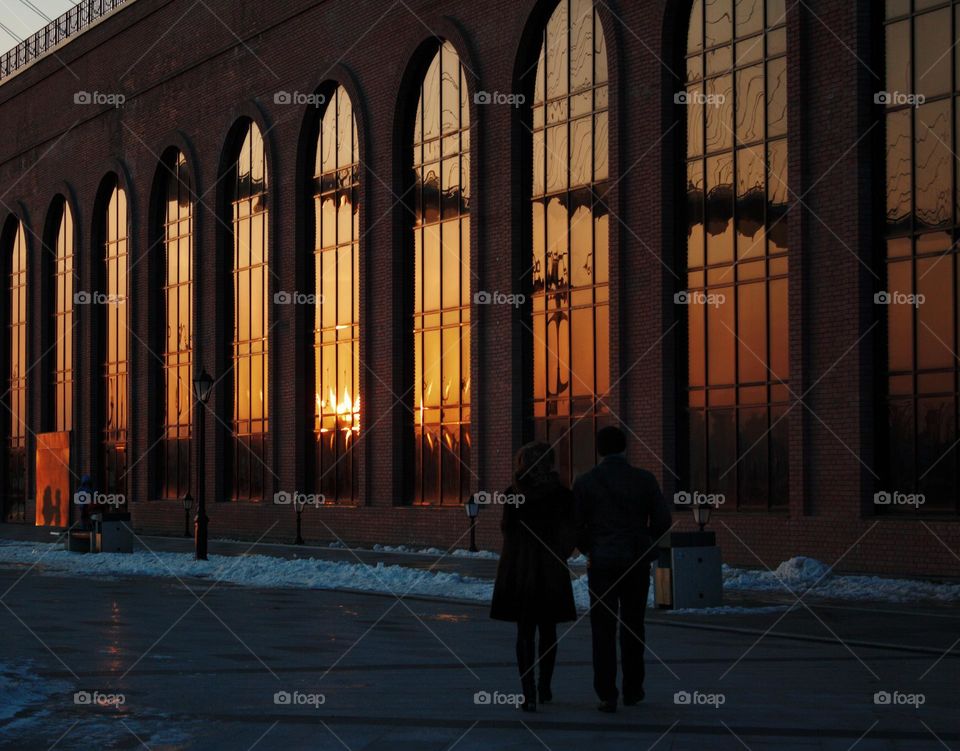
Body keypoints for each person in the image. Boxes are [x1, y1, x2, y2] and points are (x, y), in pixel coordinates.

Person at [573, 426, 672, 713]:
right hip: (635, 561)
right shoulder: (644, 479)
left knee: (602, 628)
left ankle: (607, 693)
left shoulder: (586, 482)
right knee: (634, 625)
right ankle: (633, 688)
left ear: (600, 449)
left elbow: (576, 524)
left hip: (602, 562)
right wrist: (646, 543)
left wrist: (590, 547)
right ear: (624, 447)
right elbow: (663, 519)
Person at [490, 442, 578, 712]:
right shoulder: (562, 495)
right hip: (550, 568)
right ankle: (545, 685)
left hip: (520, 568)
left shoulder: (513, 495)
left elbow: (507, 530)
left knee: (524, 631)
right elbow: (569, 531)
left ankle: (527, 692)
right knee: (548, 630)